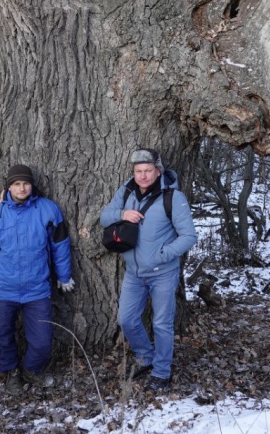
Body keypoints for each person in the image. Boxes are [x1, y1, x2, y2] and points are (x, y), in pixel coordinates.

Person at [100, 148, 197, 392]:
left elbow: (189, 236)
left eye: (148, 170)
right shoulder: (127, 191)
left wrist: (163, 255)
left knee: (162, 324)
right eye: (138, 171)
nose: (143, 176)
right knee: (126, 319)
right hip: (134, 273)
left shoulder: (173, 197)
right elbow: (104, 217)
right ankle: (145, 357)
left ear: (158, 171)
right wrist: (123, 213)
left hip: (163, 273)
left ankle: (162, 371)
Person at [0, 164, 75, 395]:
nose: (22, 188)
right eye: (16, 184)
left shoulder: (48, 209)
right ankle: (11, 372)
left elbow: (60, 246)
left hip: (37, 289)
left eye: (26, 184)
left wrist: (64, 275)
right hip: (4, 289)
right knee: (2, 336)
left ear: (32, 185)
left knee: (42, 341)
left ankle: (31, 369)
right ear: (8, 187)